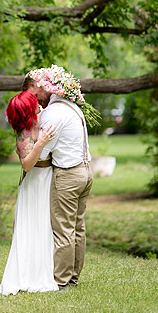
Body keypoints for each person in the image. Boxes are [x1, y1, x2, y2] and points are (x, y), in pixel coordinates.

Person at [27, 70, 94, 291]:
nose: (35, 101)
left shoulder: (53, 113)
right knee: (78, 228)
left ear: (43, 85)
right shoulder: (72, 106)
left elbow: (43, 154)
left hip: (67, 175)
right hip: (85, 171)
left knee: (63, 230)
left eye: (34, 95)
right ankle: (73, 278)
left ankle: (61, 282)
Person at [0, 86, 58, 295]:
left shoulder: (43, 120)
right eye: (34, 104)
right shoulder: (24, 134)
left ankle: (50, 270)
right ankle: (30, 275)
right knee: (34, 228)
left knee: (47, 227)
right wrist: (40, 143)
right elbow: (27, 164)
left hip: (49, 178)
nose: (39, 103)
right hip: (34, 184)